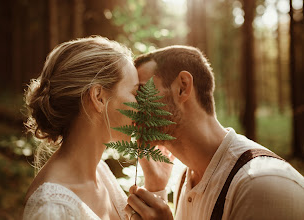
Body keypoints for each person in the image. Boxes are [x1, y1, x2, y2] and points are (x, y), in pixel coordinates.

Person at [125, 45, 304, 220]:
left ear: (182, 87)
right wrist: (156, 189)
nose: (129, 107)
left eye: (140, 92)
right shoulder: (184, 178)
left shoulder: (261, 185)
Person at [22, 36, 172, 220]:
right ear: (99, 97)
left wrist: (156, 187)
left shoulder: (100, 172)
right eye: (134, 92)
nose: (141, 104)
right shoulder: (51, 210)